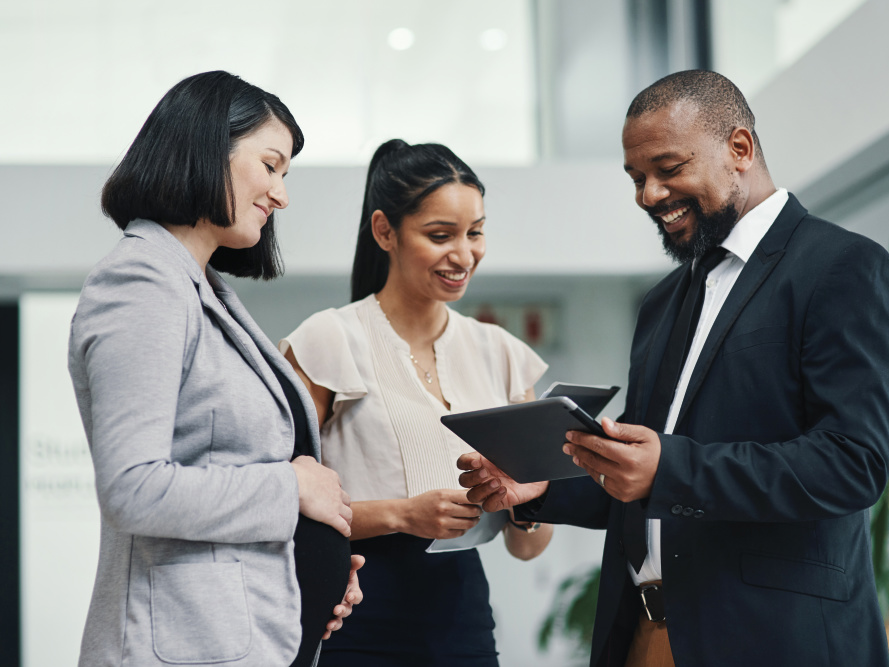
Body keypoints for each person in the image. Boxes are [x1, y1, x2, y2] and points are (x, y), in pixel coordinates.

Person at [460, 70, 889, 667]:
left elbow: (853, 463)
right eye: (637, 178)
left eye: (668, 169)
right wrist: (543, 490)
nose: (648, 195)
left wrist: (669, 467)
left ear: (739, 149)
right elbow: (642, 478)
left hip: (775, 642)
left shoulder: (842, 268)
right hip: (644, 639)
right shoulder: (664, 301)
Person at [69, 71, 362, 667]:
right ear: (207, 147)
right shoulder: (141, 283)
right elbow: (135, 489)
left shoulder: (202, 287)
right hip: (180, 644)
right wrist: (292, 490)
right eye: (272, 165)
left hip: (235, 636)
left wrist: (299, 561)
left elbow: (220, 471)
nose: (282, 195)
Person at [280, 139, 554, 667]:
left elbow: (527, 548)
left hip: (463, 616)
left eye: (475, 233)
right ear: (385, 231)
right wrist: (403, 514)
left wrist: (526, 506)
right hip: (355, 609)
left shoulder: (502, 354)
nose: (464, 253)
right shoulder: (327, 340)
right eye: (440, 235)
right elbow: (279, 500)